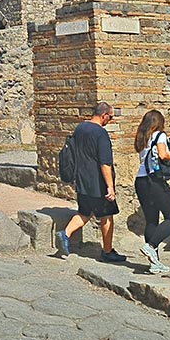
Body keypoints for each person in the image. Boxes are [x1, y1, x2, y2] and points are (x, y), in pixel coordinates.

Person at [56, 102, 128, 263]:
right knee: (107, 216)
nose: (110, 120)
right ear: (104, 115)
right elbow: (105, 163)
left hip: (82, 180)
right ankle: (108, 251)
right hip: (98, 183)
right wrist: (110, 186)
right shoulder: (100, 134)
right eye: (110, 117)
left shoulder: (80, 128)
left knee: (84, 212)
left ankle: (65, 234)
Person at [134, 109, 170, 274]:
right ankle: (151, 246)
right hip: (154, 181)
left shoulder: (142, 137)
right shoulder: (159, 135)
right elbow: (163, 155)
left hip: (141, 181)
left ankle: (154, 262)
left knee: (151, 221)